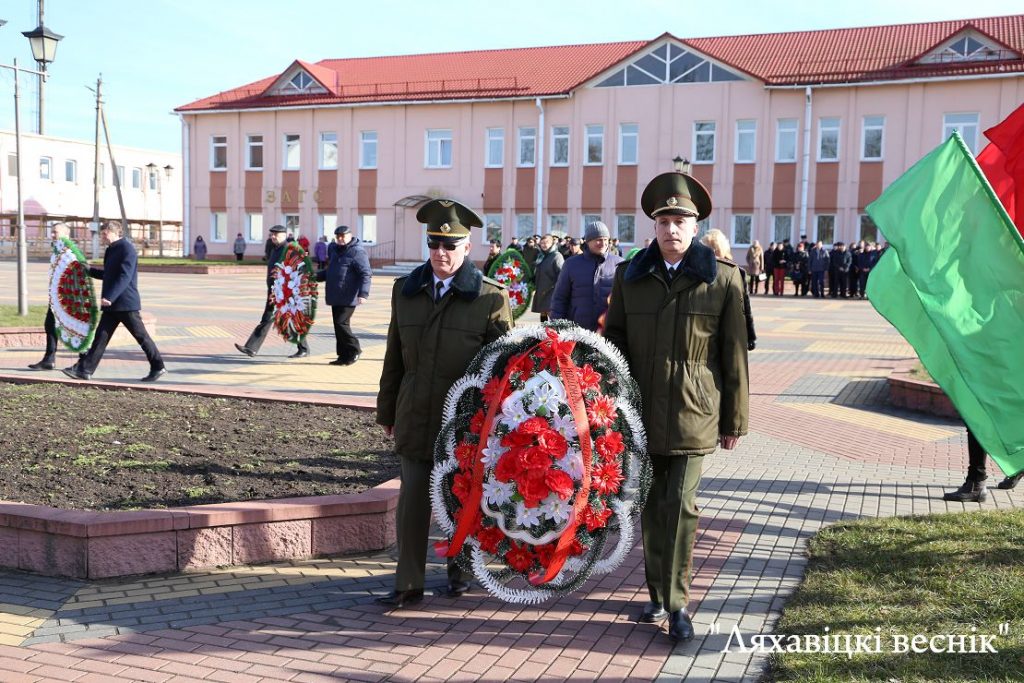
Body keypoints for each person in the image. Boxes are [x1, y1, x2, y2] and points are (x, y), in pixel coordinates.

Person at [604, 172, 749, 642]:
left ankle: (678, 603)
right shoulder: (631, 277)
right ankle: (656, 593)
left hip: (694, 411)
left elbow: (734, 354)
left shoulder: (723, 279)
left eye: (680, 221)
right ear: (654, 226)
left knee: (681, 505)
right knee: (650, 506)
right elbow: (615, 344)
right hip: (642, 411)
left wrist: (734, 419)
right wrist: (609, 407)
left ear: (695, 225)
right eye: (664, 221)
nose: (672, 229)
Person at [376, 198, 514, 609]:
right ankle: (408, 583)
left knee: (462, 498)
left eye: (450, 246)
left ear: (467, 247)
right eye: (434, 244)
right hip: (415, 412)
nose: (441, 253)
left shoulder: (490, 298)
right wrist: (387, 410)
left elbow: (503, 371)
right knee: (413, 501)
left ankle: (461, 572)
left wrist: (498, 424)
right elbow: (394, 357)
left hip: (465, 420)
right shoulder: (406, 291)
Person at [62, 221, 166, 383]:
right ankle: (85, 370)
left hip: (124, 303)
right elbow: (109, 275)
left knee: (141, 336)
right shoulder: (111, 249)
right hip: (112, 305)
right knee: (100, 338)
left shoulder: (127, 249)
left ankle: (158, 366)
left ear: (115, 232)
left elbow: (125, 276)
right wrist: (88, 270)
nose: (102, 237)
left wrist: (110, 297)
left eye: (105, 234)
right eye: (102, 234)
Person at [234, 225, 310, 359]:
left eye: (276, 234)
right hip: (274, 291)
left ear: (284, 235)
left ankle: (303, 349)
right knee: (267, 318)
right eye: (272, 234)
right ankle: (251, 348)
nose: (273, 237)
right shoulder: (275, 249)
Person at [28, 223, 85, 371]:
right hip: (57, 296)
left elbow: (77, 274)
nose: (52, 235)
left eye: (55, 232)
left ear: (66, 234)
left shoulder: (70, 251)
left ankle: (84, 359)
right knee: (50, 325)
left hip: (68, 297)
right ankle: (49, 360)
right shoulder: (58, 250)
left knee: (74, 327)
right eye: (51, 232)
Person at [549, 221, 623, 331]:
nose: (603, 243)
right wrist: (556, 327)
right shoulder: (571, 264)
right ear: (588, 241)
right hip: (578, 330)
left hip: (609, 331)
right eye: (598, 240)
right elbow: (560, 298)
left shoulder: (619, 264)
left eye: (606, 239)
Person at [316, 225, 371, 366]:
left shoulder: (357, 251)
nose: (340, 239)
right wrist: (313, 276)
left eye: (343, 236)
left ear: (349, 236)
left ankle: (354, 350)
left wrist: (363, 293)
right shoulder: (335, 250)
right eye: (338, 236)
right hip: (336, 295)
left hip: (348, 295)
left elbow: (365, 273)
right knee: (338, 325)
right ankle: (342, 355)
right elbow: (330, 271)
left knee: (342, 323)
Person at [704, 230, 756, 351]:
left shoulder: (736, 272)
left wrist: (750, 335)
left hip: (725, 326)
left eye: (713, 249)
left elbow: (745, 306)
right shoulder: (699, 270)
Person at [531, 233, 564, 322]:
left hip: (551, 291)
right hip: (541, 289)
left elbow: (562, 274)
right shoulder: (541, 256)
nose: (544, 245)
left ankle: (557, 330)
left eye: (546, 242)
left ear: (552, 243)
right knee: (543, 313)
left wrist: (556, 288)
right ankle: (544, 330)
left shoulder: (556, 256)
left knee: (552, 315)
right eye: (542, 243)